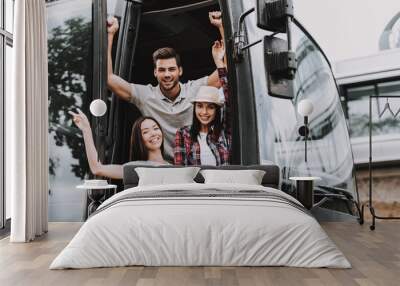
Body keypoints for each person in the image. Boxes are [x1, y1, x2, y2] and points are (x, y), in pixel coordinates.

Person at [107, 11, 225, 162]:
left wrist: (221, 27)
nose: (167, 74)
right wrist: (110, 36)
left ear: (180, 71)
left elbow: (224, 72)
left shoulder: (196, 90)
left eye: (171, 69)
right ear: (155, 72)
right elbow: (109, 79)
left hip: (196, 163)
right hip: (165, 169)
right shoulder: (145, 96)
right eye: (162, 70)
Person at [174, 40, 230, 166]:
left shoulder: (224, 132)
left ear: (217, 110)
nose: (204, 112)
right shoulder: (183, 135)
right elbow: (180, 171)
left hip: (223, 185)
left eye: (210, 107)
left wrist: (219, 62)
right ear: (194, 108)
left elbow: (229, 96)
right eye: (199, 106)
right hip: (195, 186)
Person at [69, 109, 169, 179]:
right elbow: (97, 168)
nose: (153, 134)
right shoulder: (136, 168)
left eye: (156, 128)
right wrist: (86, 130)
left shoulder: (175, 166)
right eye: (145, 132)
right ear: (139, 140)